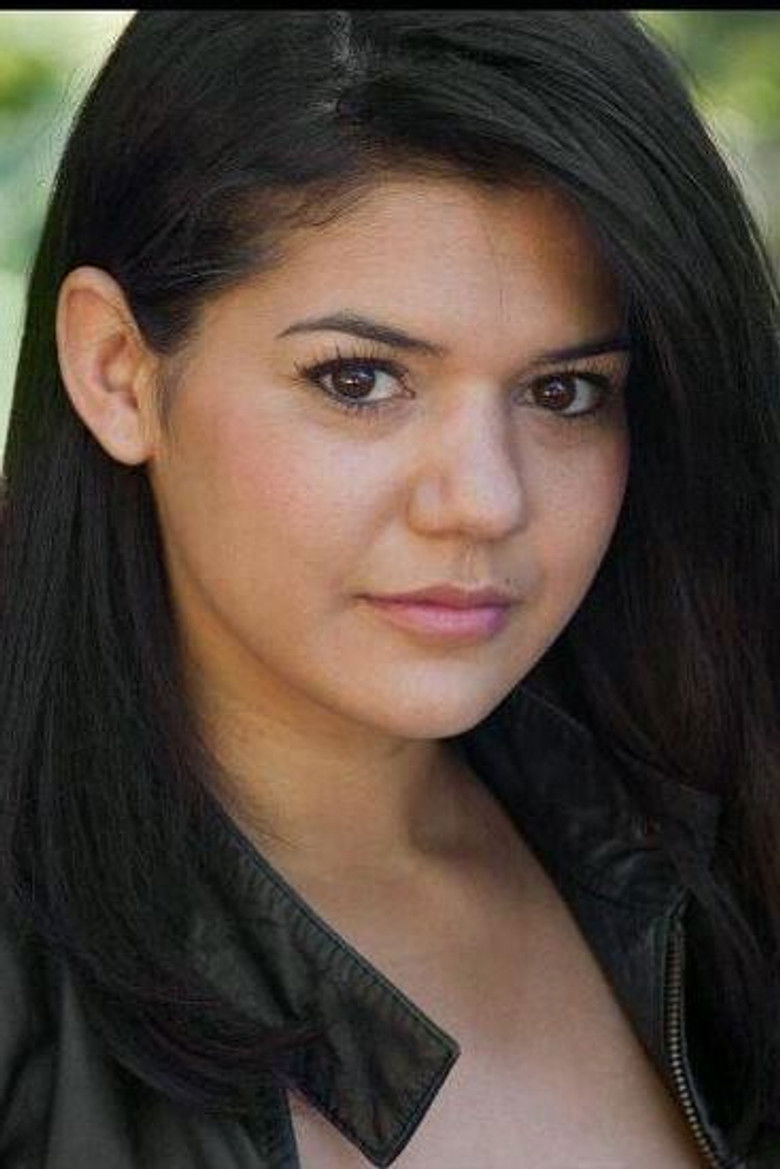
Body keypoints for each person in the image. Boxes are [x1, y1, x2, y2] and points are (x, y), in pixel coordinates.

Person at [0, 9, 778, 1167]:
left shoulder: (716, 849)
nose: (484, 501)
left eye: (564, 392)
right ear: (117, 370)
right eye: (359, 379)